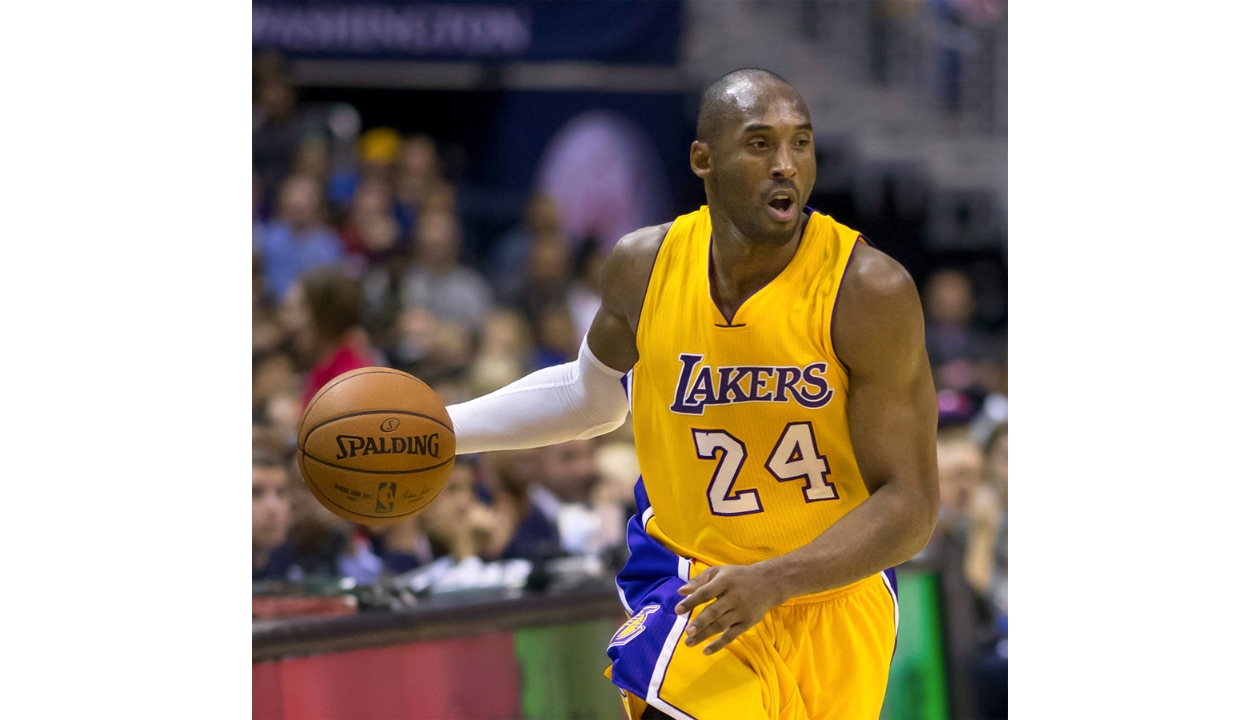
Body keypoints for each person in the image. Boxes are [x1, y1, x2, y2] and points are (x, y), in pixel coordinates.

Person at [443, 68, 938, 719]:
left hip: (836, 598)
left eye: (801, 143)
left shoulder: (867, 291)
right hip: (690, 588)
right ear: (703, 159)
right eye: (760, 144)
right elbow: (589, 397)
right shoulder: (644, 267)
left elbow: (911, 505)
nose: (786, 165)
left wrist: (775, 579)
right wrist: (443, 427)